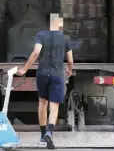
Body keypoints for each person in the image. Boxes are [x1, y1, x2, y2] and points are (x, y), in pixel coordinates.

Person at [10, 13, 73, 149]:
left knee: (42, 103)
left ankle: (42, 135)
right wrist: (70, 69)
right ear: (60, 24)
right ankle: (49, 133)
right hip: (57, 74)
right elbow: (70, 60)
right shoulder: (65, 38)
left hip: (43, 74)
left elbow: (36, 52)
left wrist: (25, 69)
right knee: (54, 105)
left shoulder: (41, 35)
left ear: (50, 24)